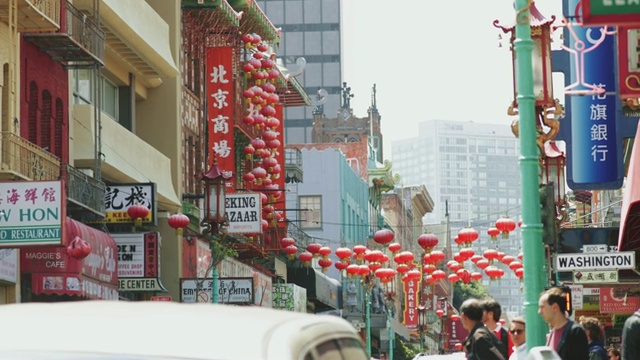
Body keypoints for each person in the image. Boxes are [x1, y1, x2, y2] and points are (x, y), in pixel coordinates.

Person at [538, 287, 589, 360]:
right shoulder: (552, 333)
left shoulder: (575, 331)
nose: (539, 312)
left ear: (555, 307)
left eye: (542, 307)